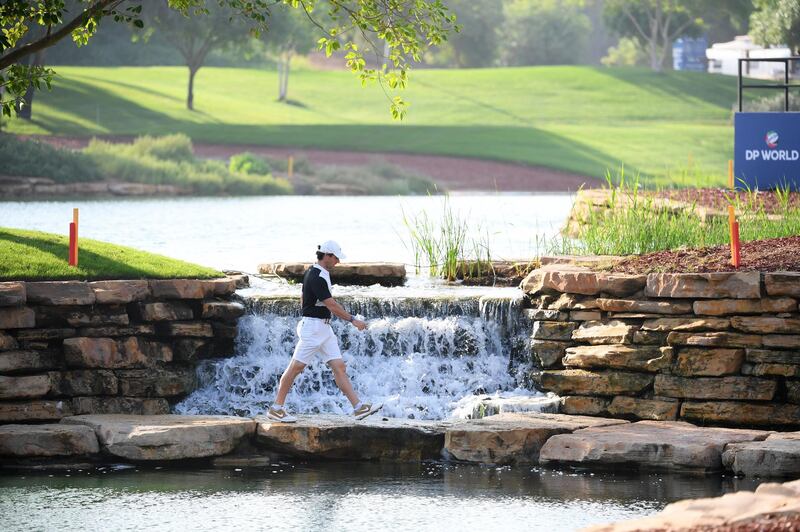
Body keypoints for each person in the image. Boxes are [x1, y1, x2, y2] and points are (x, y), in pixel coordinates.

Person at [267, 240, 382, 423]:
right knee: (296, 368)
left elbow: (304, 297)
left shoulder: (317, 273)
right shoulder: (317, 276)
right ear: (327, 255)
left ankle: (358, 408)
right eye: (336, 257)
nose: (338, 261)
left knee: (339, 367)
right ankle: (277, 408)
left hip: (323, 328)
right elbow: (332, 305)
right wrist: (353, 320)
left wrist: (310, 312)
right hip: (314, 329)